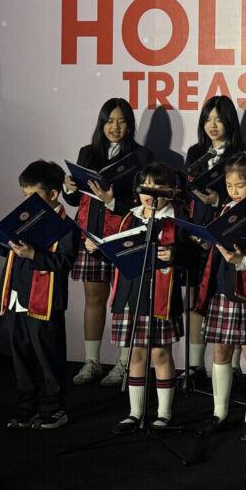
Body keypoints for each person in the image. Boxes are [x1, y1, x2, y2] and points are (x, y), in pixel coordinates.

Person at [63, 97, 154, 388]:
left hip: (124, 234)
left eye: (121, 121)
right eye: (110, 121)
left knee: (125, 302)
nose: (115, 127)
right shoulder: (88, 153)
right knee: (93, 299)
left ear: (130, 124)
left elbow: (145, 203)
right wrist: (68, 189)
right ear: (102, 123)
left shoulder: (141, 156)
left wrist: (112, 201)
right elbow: (75, 199)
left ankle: (124, 363)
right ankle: (92, 362)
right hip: (91, 235)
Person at [95, 163, 187, 433]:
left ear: (170, 191)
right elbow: (117, 251)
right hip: (130, 291)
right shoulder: (130, 218)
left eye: (158, 187)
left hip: (160, 294)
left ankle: (164, 413)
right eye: (146, 187)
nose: (151, 193)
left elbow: (195, 257)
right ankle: (135, 413)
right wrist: (96, 248)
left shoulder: (176, 220)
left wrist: (175, 254)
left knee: (160, 353)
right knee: (136, 353)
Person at [194, 153, 246, 441]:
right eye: (229, 186)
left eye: (240, 185)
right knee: (221, 352)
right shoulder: (225, 209)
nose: (233, 191)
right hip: (223, 287)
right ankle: (219, 412)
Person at [1, 160, 78, 429]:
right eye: (24, 196)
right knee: (21, 356)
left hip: (44, 300)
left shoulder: (66, 226)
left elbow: (64, 262)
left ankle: (54, 408)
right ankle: (27, 407)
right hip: (16, 295)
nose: (27, 202)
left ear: (53, 194)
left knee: (49, 356)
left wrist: (34, 253)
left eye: (32, 196)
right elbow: (9, 249)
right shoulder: (25, 217)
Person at [184, 95, 245, 383]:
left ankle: (231, 365)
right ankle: (196, 365)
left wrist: (218, 199)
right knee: (196, 297)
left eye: (218, 119)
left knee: (231, 299)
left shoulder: (240, 155)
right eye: (208, 119)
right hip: (198, 234)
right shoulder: (196, 152)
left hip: (227, 236)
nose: (212, 125)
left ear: (229, 122)